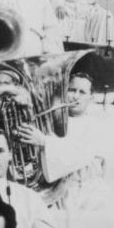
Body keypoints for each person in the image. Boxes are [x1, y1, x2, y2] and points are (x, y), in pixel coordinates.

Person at [14, 72, 108, 211]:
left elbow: (80, 154)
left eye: (82, 92)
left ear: (91, 98)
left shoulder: (94, 126)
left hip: (84, 195)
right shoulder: (50, 120)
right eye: (71, 90)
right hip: (50, 191)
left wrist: (44, 141)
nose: (75, 96)